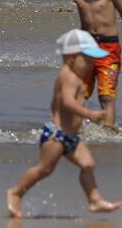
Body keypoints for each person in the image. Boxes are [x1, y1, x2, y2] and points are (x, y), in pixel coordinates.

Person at [7, 29, 121, 218]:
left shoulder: (75, 77)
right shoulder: (68, 75)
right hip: (56, 136)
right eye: (88, 60)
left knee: (88, 164)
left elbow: (63, 103)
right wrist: (90, 114)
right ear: (71, 56)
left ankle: (94, 200)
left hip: (70, 137)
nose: (92, 64)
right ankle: (16, 192)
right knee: (44, 169)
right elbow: (68, 102)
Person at [5, 0, 122, 124]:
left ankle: (108, 133)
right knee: (80, 92)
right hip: (85, 49)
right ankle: (75, 129)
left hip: (109, 48)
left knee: (107, 96)